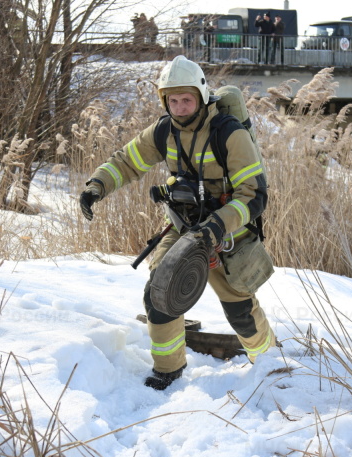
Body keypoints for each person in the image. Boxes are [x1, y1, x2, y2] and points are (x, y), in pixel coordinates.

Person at [79, 56, 275, 390]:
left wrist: (218, 225)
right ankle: (168, 370)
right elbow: (126, 161)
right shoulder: (163, 131)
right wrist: (96, 186)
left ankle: (272, 365)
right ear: (164, 100)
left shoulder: (229, 133)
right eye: (173, 100)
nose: (180, 107)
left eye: (186, 100)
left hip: (227, 234)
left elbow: (254, 195)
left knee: (240, 310)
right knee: (160, 293)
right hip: (184, 228)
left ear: (201, 97)